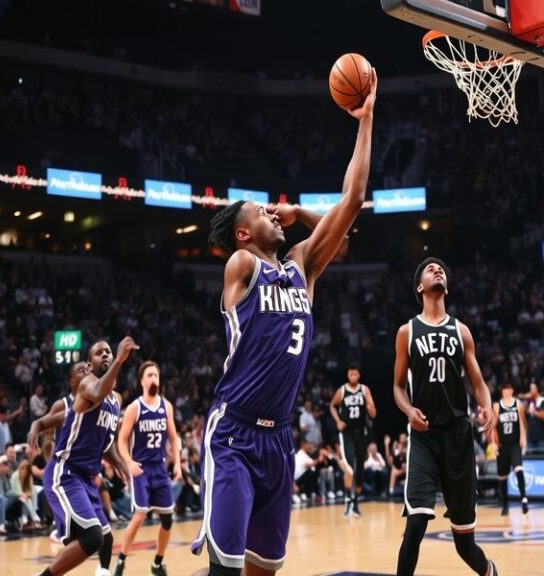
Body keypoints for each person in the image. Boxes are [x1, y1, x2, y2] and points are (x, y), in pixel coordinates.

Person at [191, 69, 376, 576]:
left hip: (278, 441)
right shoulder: (242, 267)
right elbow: (255, 247)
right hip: (232, 433)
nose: (274, 212)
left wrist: (365, 119)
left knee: (262, 571)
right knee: (224, 570)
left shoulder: (302, 270)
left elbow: (352, 205)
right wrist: (281, 229)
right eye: (263, 212)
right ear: (244, 233)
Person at [392, 257, 498, 576]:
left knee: (464, 543)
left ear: (446, 287)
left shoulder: (461, 331)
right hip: (425, 437)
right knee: (417, 521)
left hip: (458, 437)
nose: (438, 269)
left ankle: (490, 571)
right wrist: (409, 410)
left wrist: (488, 407)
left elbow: (478, 384)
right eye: (430, 268)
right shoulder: (406, 332)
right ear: (420, 287)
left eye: (441, 268)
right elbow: (397, 387)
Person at [37, 337, 138, 576]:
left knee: (104, 537)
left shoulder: (117, 400)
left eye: (108, 352)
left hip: (87, 476)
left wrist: (121, 462)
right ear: (89, 365)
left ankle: (102, 572)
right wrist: (119, 362)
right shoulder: (87, 385)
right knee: (91, 536)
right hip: (66, 471)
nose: (106, 354)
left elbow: (106, 443)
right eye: (99, 353)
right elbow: (98, 391)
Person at [114, 361, 182, 576]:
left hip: (160, 468)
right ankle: (121, 561)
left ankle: (157, 563)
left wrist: (178, 463)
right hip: (141, 469)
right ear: (142, 380)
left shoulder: (166, 406)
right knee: (140, 515)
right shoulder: (135, 408)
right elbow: (122, 441)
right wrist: (128, 462)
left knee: (168, 520)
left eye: (156, 375)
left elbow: (173, 437)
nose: (154, 378)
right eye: (150, 375)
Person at [330, 362, 377, 516]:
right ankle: (347, 499)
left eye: (355, 374)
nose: (353, 376)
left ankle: (355, 501)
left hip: (360, 432)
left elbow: (374, 414)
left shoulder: (364, 390)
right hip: (347, 432)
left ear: (359, 375)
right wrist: (338, 420)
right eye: (350, 374)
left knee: (360, 471)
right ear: (347, 374)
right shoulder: (342, 390)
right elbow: (332, 405)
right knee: (350, 466)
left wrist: (370, 408)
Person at [493, 381, 528, 516]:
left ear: (512, 390)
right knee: (502, 477)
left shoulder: (518, 404)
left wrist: (523, 438)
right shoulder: (496, 406)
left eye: (508, 388)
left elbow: (522, 422)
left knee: (519, 469)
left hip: (514, 443)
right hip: (502, 444)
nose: (506, 391)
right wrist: (494, 443)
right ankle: (505, 504)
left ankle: (524, 499)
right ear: (502, 391)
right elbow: (494, 427)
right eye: (504, 388)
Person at [525, 383, 544, 452]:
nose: (531, 390)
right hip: (530, 436)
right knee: (530, 460)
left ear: (537, 389)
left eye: (532, 388)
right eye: (530, 389)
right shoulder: (529, 401)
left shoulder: (542, 401)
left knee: (542, 459)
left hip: (540, 437)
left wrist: (534, 412)